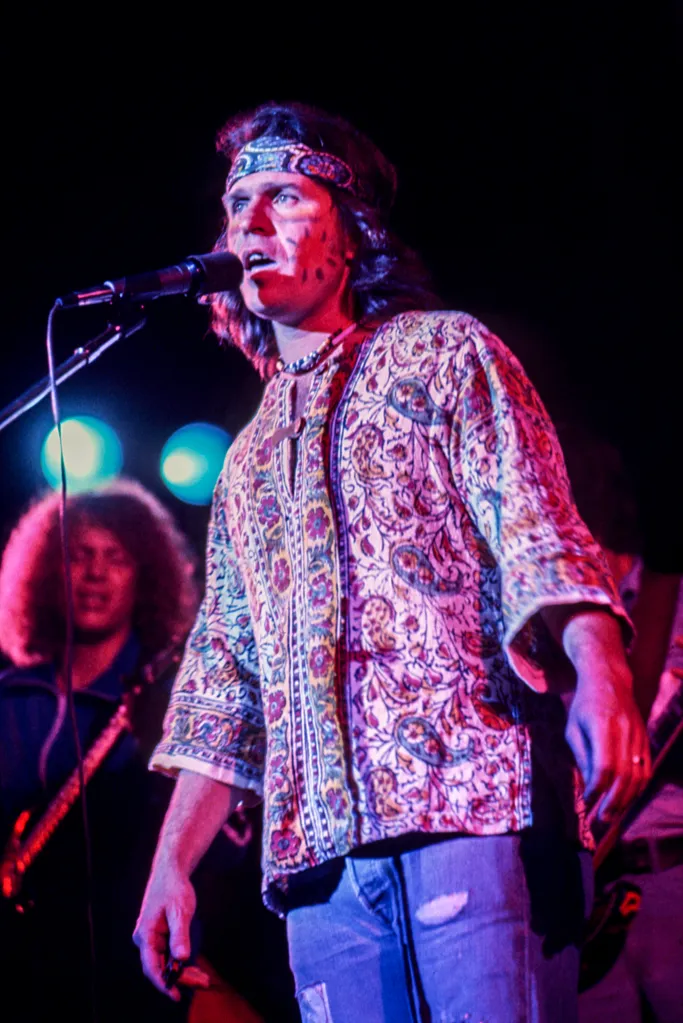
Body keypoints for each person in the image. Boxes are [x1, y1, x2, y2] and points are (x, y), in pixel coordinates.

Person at [134, 102, 651, 1023]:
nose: (248, 222)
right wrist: (172, 862)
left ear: (350, 230)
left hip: (472, 811)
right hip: (317, 862)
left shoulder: (445, 354)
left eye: (283, 196)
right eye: (236, 201)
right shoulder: (247, 459)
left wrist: (605, 674)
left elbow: (540, 530)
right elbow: (223, 674)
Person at [0, 479, 198, 1022]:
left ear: (146, 576)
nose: (94, 573)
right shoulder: (12, 697)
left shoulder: (166, 700)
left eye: (116, 557)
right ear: (47, 572)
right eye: (80, 555)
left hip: (124, 969)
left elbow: (219, 847)